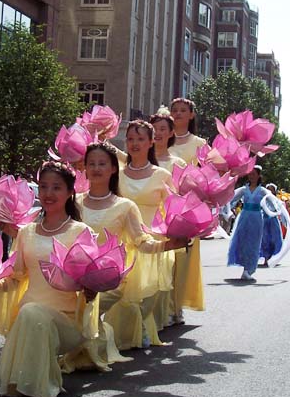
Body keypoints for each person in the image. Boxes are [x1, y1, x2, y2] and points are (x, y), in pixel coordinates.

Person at [0, 162, 116, 397]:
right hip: (29, 316)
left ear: (70, 192)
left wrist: (91, 291)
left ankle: (40, 383)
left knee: (31, 312)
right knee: (30, 311)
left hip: (67, 322)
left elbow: (90, 280)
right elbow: (15, 279)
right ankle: (28, 380)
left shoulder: (81, 232)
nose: (49, 193)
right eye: (43, 187)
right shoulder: (26, 233)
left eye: (56, 187)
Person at [79, 142, 187, 349]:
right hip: (76, 278)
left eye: (102, 163)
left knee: (86, 311)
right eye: (91, 163)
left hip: (111, 280)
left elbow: (142, 243)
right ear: (85, 168)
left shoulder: (125, 206)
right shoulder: (74, 202)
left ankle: (95, 340)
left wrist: (168, 245)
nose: (96, 168)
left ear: (113, 168)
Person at [105, 120, 174, 348]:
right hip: (121, 241)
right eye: (131, 139)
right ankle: (121, 335)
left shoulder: (162, 175)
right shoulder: (116, 174)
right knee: (121, 294)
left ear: (151, 142)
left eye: (141, 139)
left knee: (144, 293)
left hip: (150, 240)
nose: (135, 143)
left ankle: (141, 327)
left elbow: (173, 209)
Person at [149, 111, 203, 325]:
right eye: (154, 129)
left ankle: (172, 308)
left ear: (171, 133)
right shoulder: (139, 161)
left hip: (170, 220)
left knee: (172, 267)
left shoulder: (178, 163)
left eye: (163, 129)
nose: (158, 133)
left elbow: (187, 194)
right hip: (145, 219)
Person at [227, 166, 270, 281]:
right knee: (243, 242)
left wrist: (275, 211)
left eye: (254, 174)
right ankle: (245, 267)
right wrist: (228, 210)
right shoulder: (243, 189)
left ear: (258, 176)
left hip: (256, 219)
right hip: (244, 218)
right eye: (250, 174)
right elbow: (230, 198)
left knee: (254, 244)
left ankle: (249, 269)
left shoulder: (262, 191)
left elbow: (272, 201)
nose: (251, 176)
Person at [168, 98, 208, 165]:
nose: (178, 113)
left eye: (183, 110)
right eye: (174, 111)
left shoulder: (200, 143)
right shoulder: (162, 140)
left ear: (191, 115)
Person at [260, 183, 283, 264]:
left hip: (273, 222)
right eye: (268, 189)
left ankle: (273, 257)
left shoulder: (276, 201)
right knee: (264, 240)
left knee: (274, 240)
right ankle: (266, 258)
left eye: (271, 190)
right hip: (264, 221)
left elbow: (280, 211)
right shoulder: (263, 200)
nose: (270, 191)